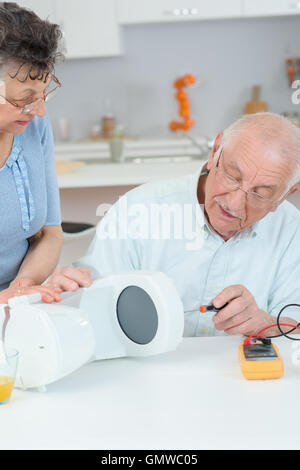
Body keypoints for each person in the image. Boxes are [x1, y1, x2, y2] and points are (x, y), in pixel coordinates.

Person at [47, 112, 300, 337]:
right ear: (215, 152)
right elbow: (90, 311)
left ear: (285, 195)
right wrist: (67, 296)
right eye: (232, 176)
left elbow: (295, 327)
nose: (234, 204)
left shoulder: (291, 228)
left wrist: (263, 323)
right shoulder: (138, 209)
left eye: (260, 193)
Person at [0, 3, 64, 305]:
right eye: (25, 100)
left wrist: (22, 288)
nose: (39, 111)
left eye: (44, 94)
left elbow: (49, 234)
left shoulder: (33, 124)